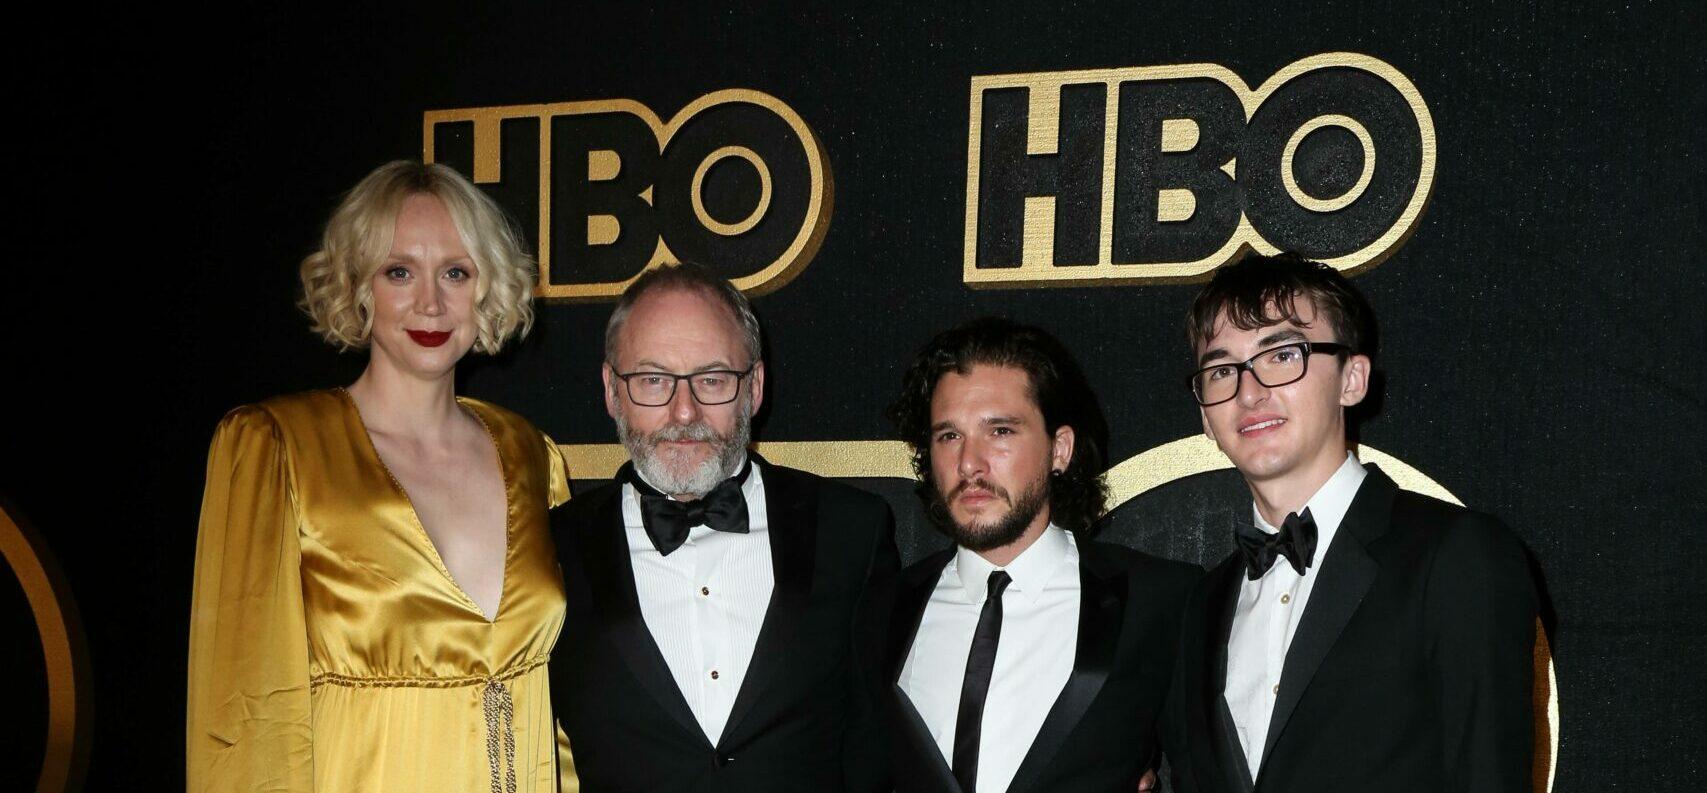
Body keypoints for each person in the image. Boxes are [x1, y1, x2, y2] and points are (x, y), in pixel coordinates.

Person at [187, 161, 572, 792]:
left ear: (487, 288)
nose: (430, 301)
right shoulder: (276, 448)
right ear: (358, 288)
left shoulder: (533, 456)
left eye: (455, 272)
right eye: (399, 272)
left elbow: (561, 718)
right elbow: (244, 717)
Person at [1164, 253, 1538, 792]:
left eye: (1282, 355)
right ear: (1204, 414)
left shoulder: (1457, 555)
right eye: (1222, 370)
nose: (1249, 392)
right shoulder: (1201, 608)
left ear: (1352, 379)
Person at [548, 262, 900, 791]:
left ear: (754, 387)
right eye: (652, 380)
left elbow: (876, 751)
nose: (684, 411)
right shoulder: (550, 548)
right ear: (611, 391)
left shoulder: (852, 531)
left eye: (712, 379)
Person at [885, 317, 1200, 793]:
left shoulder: (1161, 601)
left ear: (1060, 449)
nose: (969, 463)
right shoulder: (877, 611)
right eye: (949, 436)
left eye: (1001, 431)